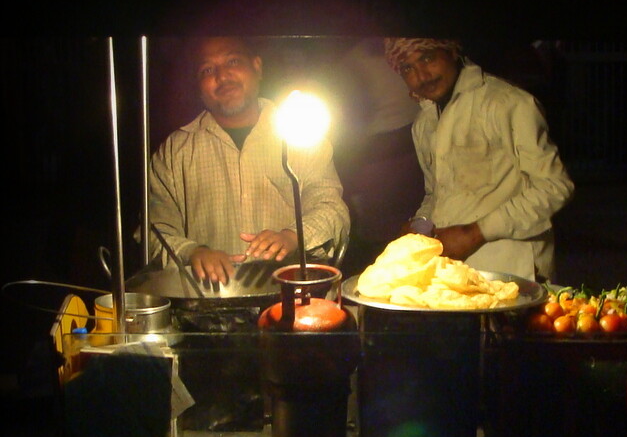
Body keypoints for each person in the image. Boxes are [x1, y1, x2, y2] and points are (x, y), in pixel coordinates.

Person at [147, 36, 350, 284]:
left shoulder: (301, 127)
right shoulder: (174, 150)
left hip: (293, 294)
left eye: (233, 61)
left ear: (257, 66)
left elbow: (331, 206)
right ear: (197, 84)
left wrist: (293, 236)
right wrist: (192, 252)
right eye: (207, 70)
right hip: (205, 304)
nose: (222, 76)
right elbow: (154, 230)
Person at [383, 38, 574, 282]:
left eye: (427, 58)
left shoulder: (508, 103)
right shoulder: (424, 123)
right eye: (408, 69)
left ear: (451, 52)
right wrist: (419, 228)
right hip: (454, 276)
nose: (422, 76)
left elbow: (555, 187)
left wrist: (475, 232)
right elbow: (436, 194)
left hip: (515, 272)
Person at [328, 37, 425, 278]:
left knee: (408, 242)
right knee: (378, 246)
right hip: (378, 165)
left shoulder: (408, 52)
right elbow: (351, 121)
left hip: (411, 159)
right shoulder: (353, 63)